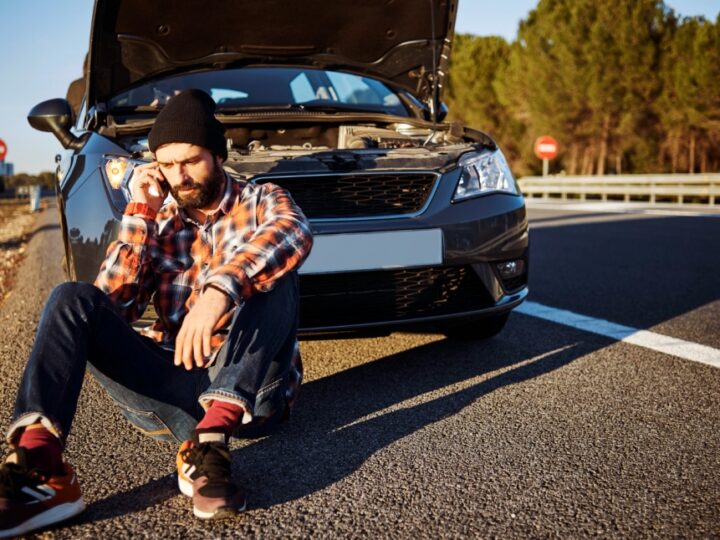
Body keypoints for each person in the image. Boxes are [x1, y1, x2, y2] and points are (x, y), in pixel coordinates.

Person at [0, 89, 313, 536]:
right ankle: (40, 467)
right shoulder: (159, 216)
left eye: (190, 161)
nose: (179, 176)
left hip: (252, 395)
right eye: (167, 165)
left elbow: (294, 231)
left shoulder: (261, 200)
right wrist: (140, 213)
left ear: (218, 155)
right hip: (174, 387)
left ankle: (210, 442)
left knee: (277, 274)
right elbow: (111, 307)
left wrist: (219, 291)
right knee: (73, 298)